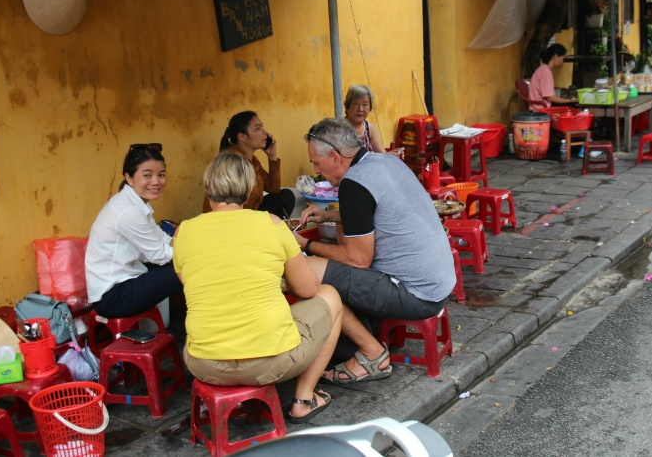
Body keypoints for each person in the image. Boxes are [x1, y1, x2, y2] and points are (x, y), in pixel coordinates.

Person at [174, 150, 343, 424]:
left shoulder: (184, 231)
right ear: (249, 189)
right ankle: (303, 399)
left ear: (208, 189)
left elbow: (192, 284)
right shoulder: (272, 224)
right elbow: (308, 290)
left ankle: (235, 397)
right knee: (330, 295)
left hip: (204, 364)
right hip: (269, 363)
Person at [295, 118, 455, 383]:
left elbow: (358, 260)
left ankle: (371, 353)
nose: (315, 170)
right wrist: (328, 217)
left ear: (335, 158)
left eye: (316, 163)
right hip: (439, 283)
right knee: (330, 262)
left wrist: (306, 245)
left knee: (308, 272)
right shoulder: (386, 161)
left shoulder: (353, 184)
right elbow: (380, 213)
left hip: (417, 294)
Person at [85, 143, 182, 318]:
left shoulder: (135, 204)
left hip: (128, 279)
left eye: (161, 175)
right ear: (129, 178)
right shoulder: (128, 211)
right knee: (186, 267)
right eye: (147, 175)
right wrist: (198, 254)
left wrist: (189, 239)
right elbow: (161, 255)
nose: (156, 182)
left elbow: (164, 239)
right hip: (112, 297)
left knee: (185, 263)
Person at [206, 111, 295, 217]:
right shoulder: (233, 161)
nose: (265, 133)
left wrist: (272, 156)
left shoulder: (252, 160)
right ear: (242, 136)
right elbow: (231, 206)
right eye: (258, 128)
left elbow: (274, 189)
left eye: (262, 127)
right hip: (234, 217)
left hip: (251, 212)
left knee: (286, 196)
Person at [343, 85, 404, 159]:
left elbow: (382, 155)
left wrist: (394, 154)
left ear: (370, 108)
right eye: (356, 104)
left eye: (365, 104)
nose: (360, 109)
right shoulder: (340, 129)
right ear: (348, 107)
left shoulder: (369, 128)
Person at [527, 44, 577, 110]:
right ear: (556, 56)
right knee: (573, 106)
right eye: (562, 59)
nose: (562, 62)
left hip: (538, 106)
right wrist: (573, 101)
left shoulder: (543, 69)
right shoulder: (545, 71)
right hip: (540, 108)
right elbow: (550, 97)